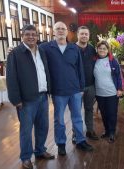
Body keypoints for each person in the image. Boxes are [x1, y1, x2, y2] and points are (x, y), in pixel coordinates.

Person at [39, 21, 93, 155]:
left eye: (63, 28)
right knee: (59, 120)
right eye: (58, 29)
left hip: (74, 90)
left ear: (67, 32)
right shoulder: (45, 47)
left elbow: (80, 68)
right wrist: (12, 49)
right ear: (53, 31)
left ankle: (80, 140)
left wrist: (81, 87)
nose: (61, 31)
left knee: (77, 117)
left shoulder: (73, 48)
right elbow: (30, 49)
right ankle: (61, 143)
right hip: (58, 91)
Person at [6, 24, 54, 169]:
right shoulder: (15, 53)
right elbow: (11, 78)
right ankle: (26, 157)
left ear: (37, 36)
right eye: (28, 34)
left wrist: (49, 91)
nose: (31, 37)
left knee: (43, 126)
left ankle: (40, 150)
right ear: (22, 36)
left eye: (34, 34)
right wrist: (16, 100)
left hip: (42, 97)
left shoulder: (42, 51)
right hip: (26, 100)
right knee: (26, 130)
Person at [93, 40, 124, 143]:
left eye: (104, 49)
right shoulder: (94, 60)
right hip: (99, 93)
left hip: (111, 92)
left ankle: (112, 132)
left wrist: (120, 89)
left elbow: (119, 76)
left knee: (112, 113)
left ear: (108, 50)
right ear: (97, 49)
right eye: (100, 48)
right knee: (104, 113)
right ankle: (106, 131)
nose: (102, 50)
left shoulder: (112, 61)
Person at [72, 26, 98, 142]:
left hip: (90, 85)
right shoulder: (71, 48)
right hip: (76, 87)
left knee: (89, 109)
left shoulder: (92, 49)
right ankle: (75, 133)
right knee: (76, 111)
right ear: (77, 35)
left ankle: (90, 130)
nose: (84, 36)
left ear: (88, 36)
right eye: (81, 34)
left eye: (86, 34)